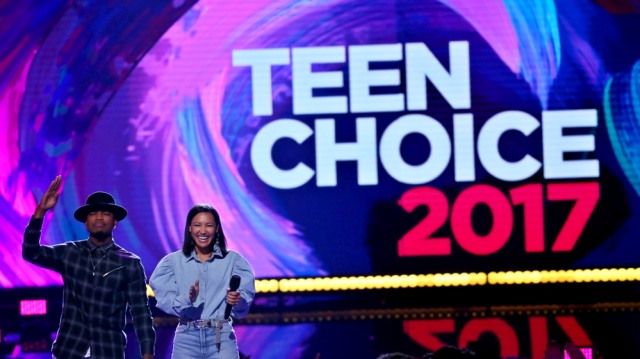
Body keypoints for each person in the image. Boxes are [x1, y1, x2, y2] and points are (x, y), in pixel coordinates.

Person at [22, 175, 156, 359]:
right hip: (69, 350)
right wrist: (40, 211)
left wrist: (148, 354)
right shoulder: (70, 252)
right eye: (93, 213)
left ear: (115, 221)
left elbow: (141, 312)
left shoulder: (129, 263)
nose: (99, 217)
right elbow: (31, 252)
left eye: (106, 213)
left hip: (108, 351)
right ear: (85, 222)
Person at [150, 203, 256, 359]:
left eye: (209, 225)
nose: (203, 231)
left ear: (217, 228)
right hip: (186, 338)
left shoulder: (234, 261)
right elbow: (164, 299)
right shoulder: (172, 262)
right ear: (189, 228)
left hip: (221, 336)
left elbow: (243, 306)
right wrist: (188, 299)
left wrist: (237, 300)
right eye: (197, 225)